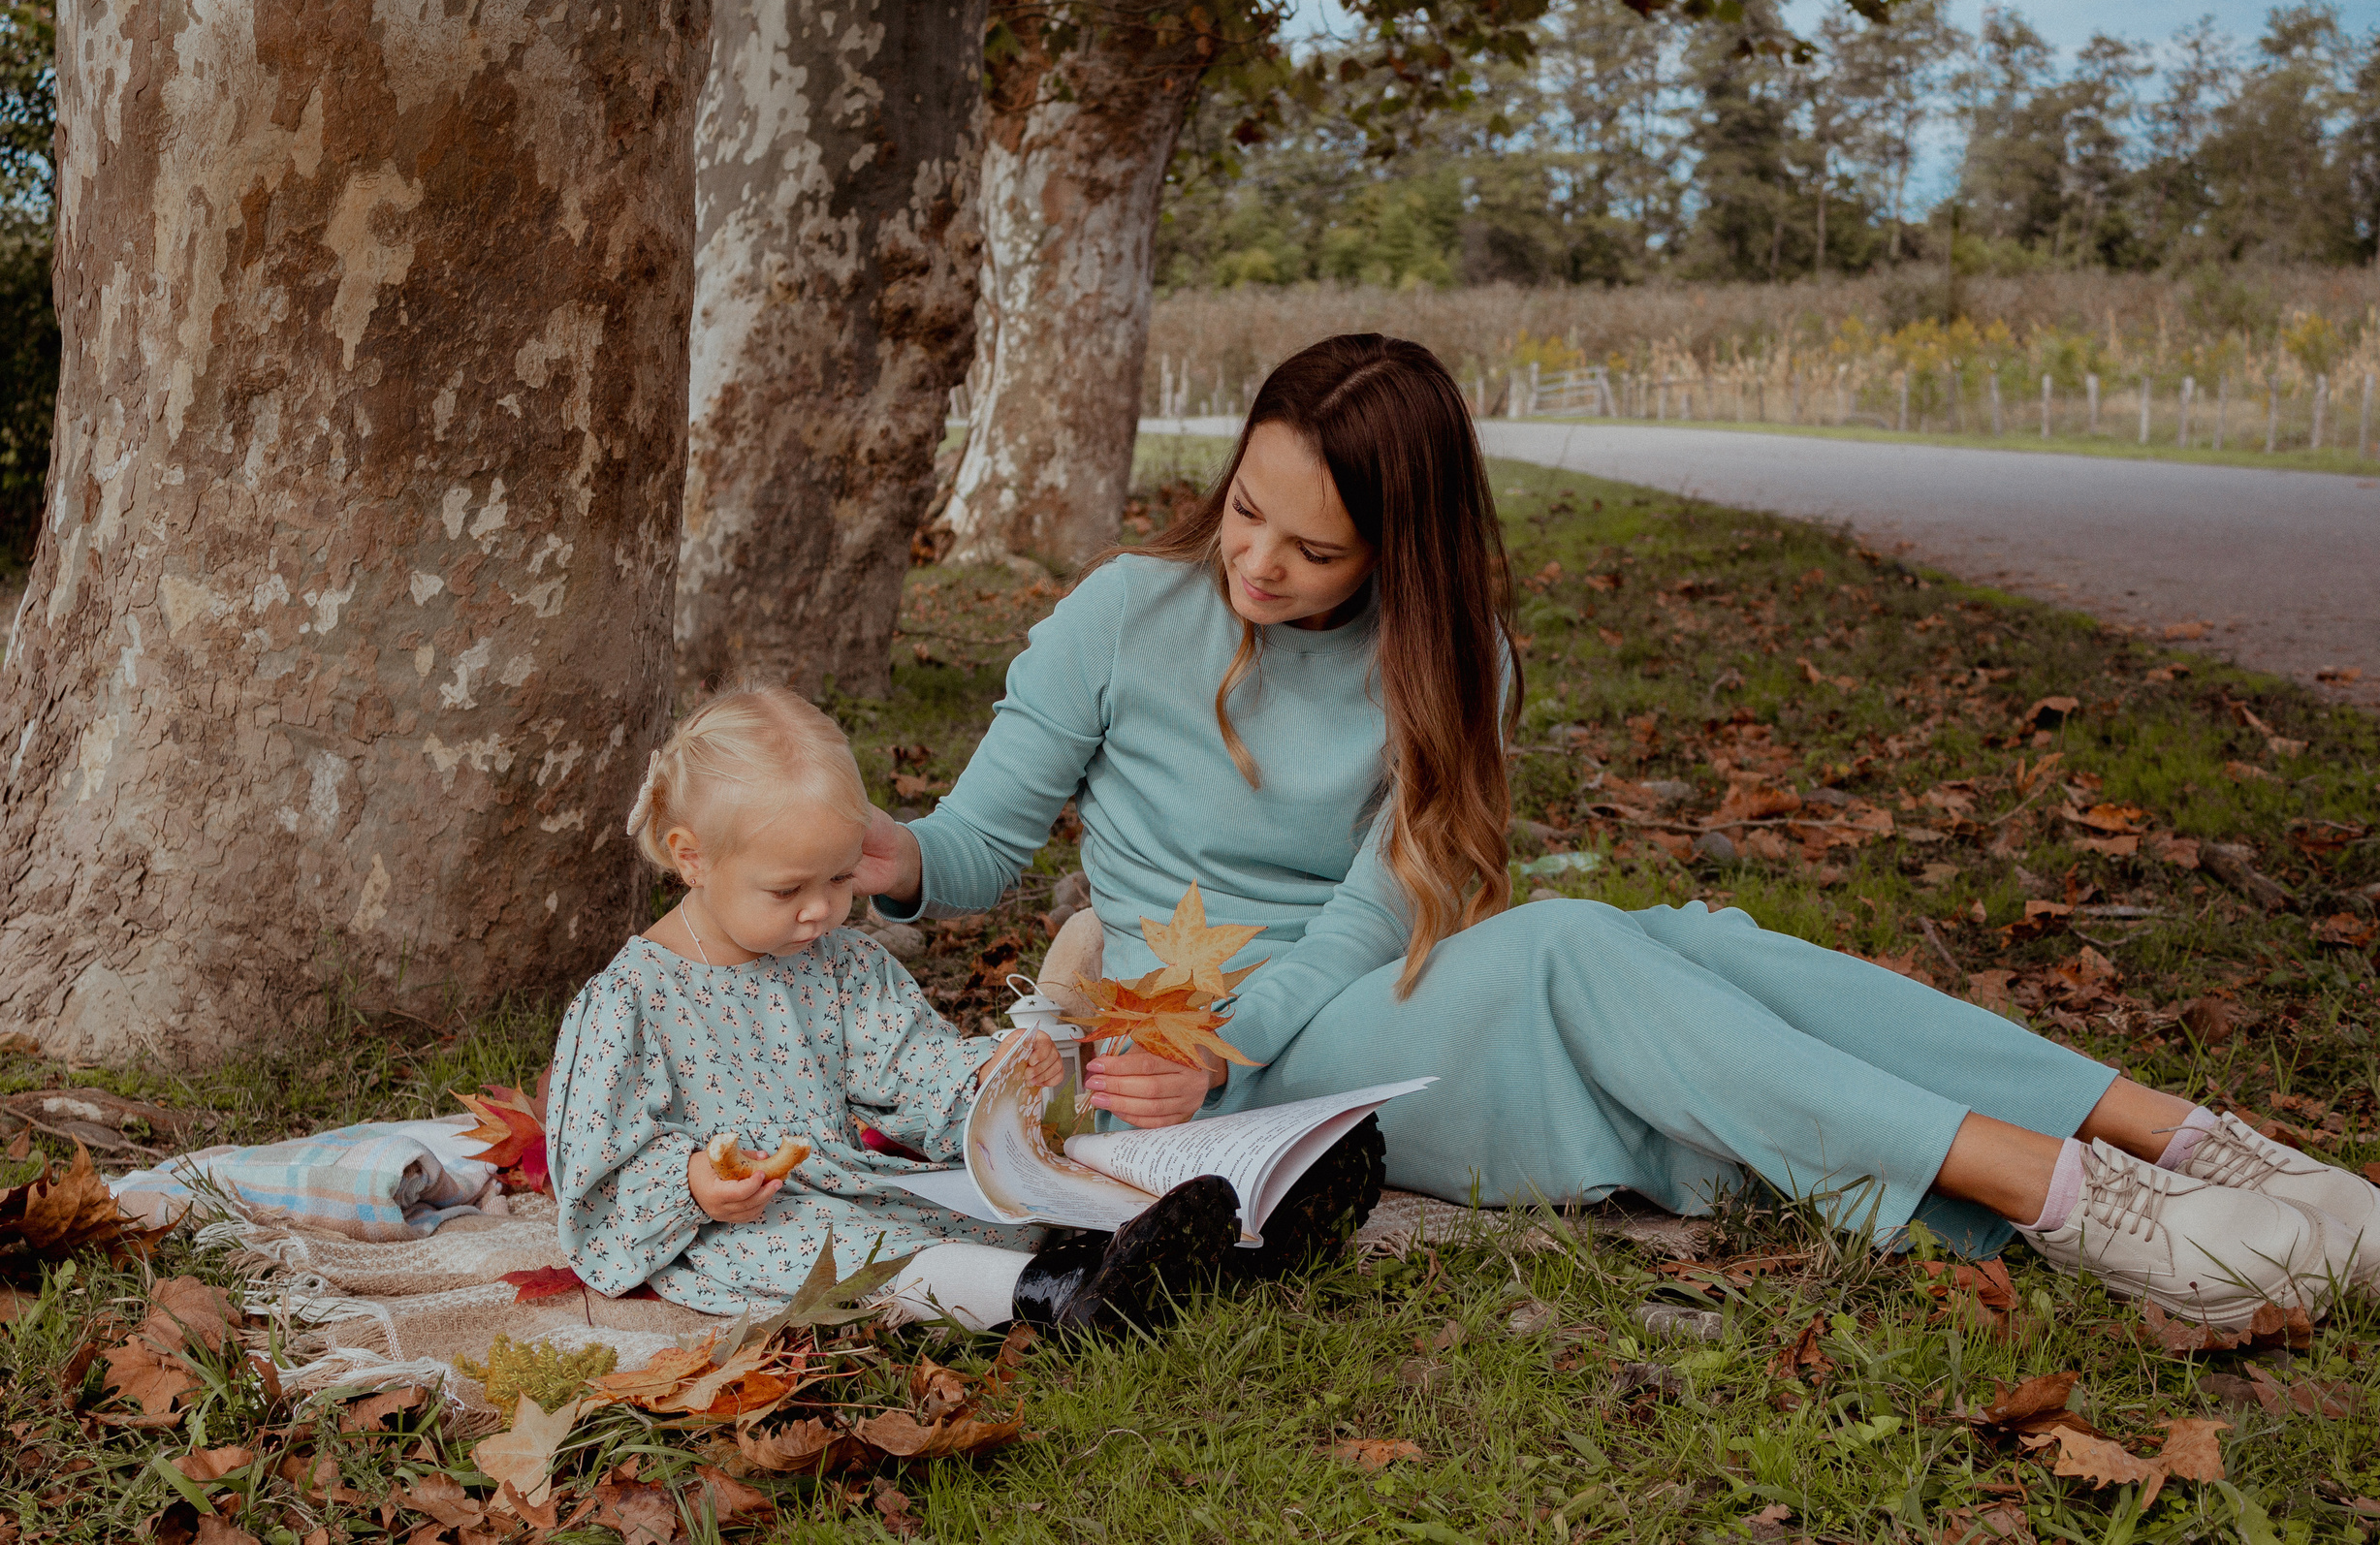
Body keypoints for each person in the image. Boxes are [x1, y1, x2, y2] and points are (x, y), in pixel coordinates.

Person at [860, 333, 2377, 1327]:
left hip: (1368, 997)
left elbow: (1372, 921)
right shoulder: (1123, 613)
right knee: (1591, 946)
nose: (1256, 560)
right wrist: (892, 855)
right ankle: (2086, 1203)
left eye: (1315, 546)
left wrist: (1239, 1025)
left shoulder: (1458, 662)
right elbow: (980, 843)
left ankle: (2181, 1141)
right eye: (1247, 508)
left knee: (1699, 951)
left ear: (1404, 542)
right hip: (1208, 1072)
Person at [543, 680, 1246, 1336]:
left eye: (841, 877)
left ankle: (1193, 1248)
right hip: (738, 1225)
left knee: (988, 1205)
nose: (821, 909)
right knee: (836, 1252)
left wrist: (988, 1076)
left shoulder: (840, 963)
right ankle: (1053, 1294)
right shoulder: (631, 1001)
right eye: (788, 890)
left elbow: (912, 1067)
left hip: (852, 1186)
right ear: (691, 857)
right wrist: (695, 1183)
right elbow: (599, 1171)